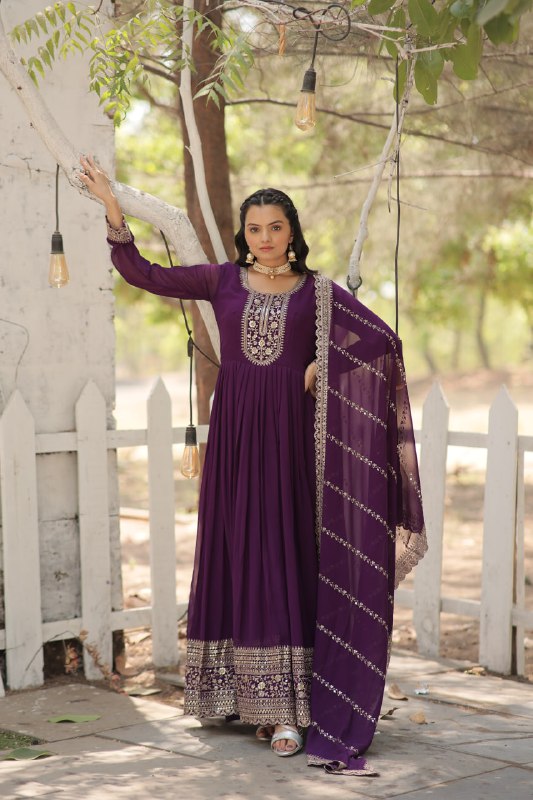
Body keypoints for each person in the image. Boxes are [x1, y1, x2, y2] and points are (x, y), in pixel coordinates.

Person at [79, 155, 427, 775]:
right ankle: (248, 700)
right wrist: (112, 208)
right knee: (239, 549)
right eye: (255, 228)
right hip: (236, 440)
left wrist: (322, 366)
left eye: (276, 227)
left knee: (285, 552)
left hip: (291, 441)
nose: (265, 238)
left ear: (292, 232)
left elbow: (381, 341)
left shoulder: (318, 293)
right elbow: (143, 274)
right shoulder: (223, 281)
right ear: (244, 235)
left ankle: (290, 708)